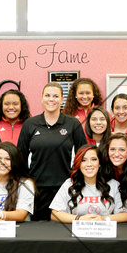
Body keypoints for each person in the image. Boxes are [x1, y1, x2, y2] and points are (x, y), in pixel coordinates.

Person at [17, 82, 87, 220]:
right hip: (37, 189)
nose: (51, 99)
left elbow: (83, 155)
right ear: (41, 98)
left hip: (65, 188)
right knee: (40, 231)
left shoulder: (73, 124)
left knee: (63, 231)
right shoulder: (30, 124)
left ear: (62, 99)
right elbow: (20, 158)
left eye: (56, 96)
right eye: (47, 95)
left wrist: (78, 183)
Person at [50, 144, 127, 223]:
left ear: (99, 163)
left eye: (94, 159)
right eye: (84, 160)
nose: (89, 164)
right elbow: (55, 214)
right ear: (79, 164)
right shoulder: (69, 183)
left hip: (105, 233)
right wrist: (79, 219)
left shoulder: (113, 185)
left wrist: (104, 218)